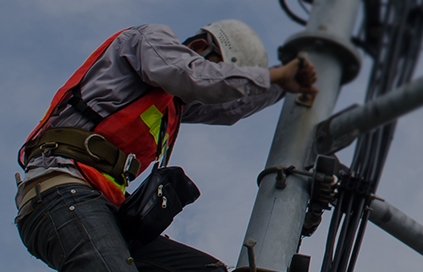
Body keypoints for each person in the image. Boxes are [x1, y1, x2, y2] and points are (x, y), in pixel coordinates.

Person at [14, 20, 317, 271]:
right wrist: (273, 76)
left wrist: (280, 83)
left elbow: (230, 106)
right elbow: (198, 78)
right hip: (60, 191)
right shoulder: (148, 40)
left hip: (100, 206)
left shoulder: (172, 102)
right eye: (222, 71)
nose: (224, 81)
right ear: (200, 48)